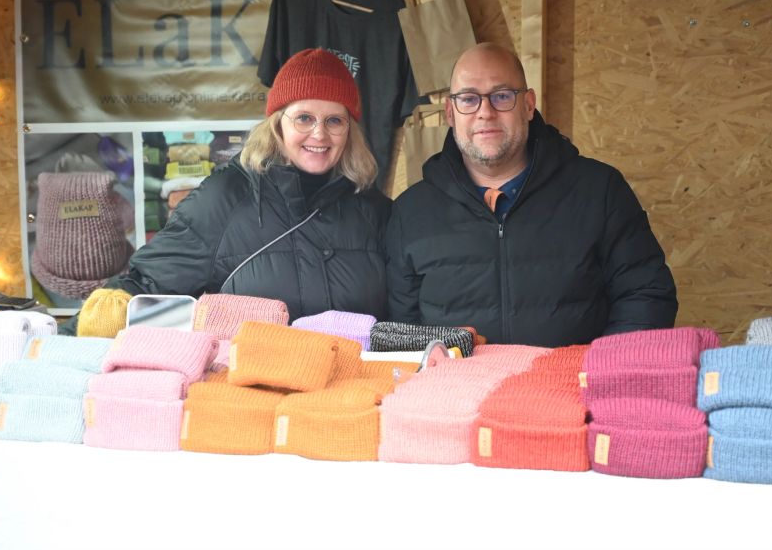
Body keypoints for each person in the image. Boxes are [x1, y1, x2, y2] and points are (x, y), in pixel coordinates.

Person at [62, 48, 391, 334]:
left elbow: (401, 314)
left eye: (335, 120)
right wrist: (63, 340)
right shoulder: (226, 196)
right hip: (248, 398)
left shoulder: (373, 210)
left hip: (354, 397)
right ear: (277, 124)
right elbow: (148, 285)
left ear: (350, 130)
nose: (319, 134)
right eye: (304, 118)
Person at [385, 43, 677, 346]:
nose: (485, 112)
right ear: (450, 112)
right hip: (460, 392)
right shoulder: (410, 213)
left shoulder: (599, 191)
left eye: (502, 96)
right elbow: (402, 332)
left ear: (528, 104)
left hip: (575, 389)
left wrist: (601, 373)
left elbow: (646, 297)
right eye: (469, 99)